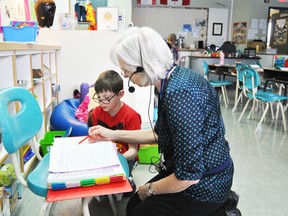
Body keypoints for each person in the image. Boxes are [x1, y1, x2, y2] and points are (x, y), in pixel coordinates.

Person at [88, 27, 234, 216]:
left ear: (144, 65)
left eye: (126, 70)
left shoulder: (178, 95)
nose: (124, 75)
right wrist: (113, 134)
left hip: (206, 185)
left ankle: (219, 210)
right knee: (133, 204)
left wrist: (149, 189)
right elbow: (159, 134)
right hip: (192, 171)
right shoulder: (175, 78)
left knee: (136, 211)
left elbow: (188, 177)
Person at [88, 70, 142, 194]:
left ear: (120, 94)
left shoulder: (131, 116)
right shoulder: (96, 112)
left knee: (124, 189)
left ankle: (129, 180)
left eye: (106, 98)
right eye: (99, 97)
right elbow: (95, 140)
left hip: (126, 157)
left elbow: (133, 151)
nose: (102, 102)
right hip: (104, 154)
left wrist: (116, 159)